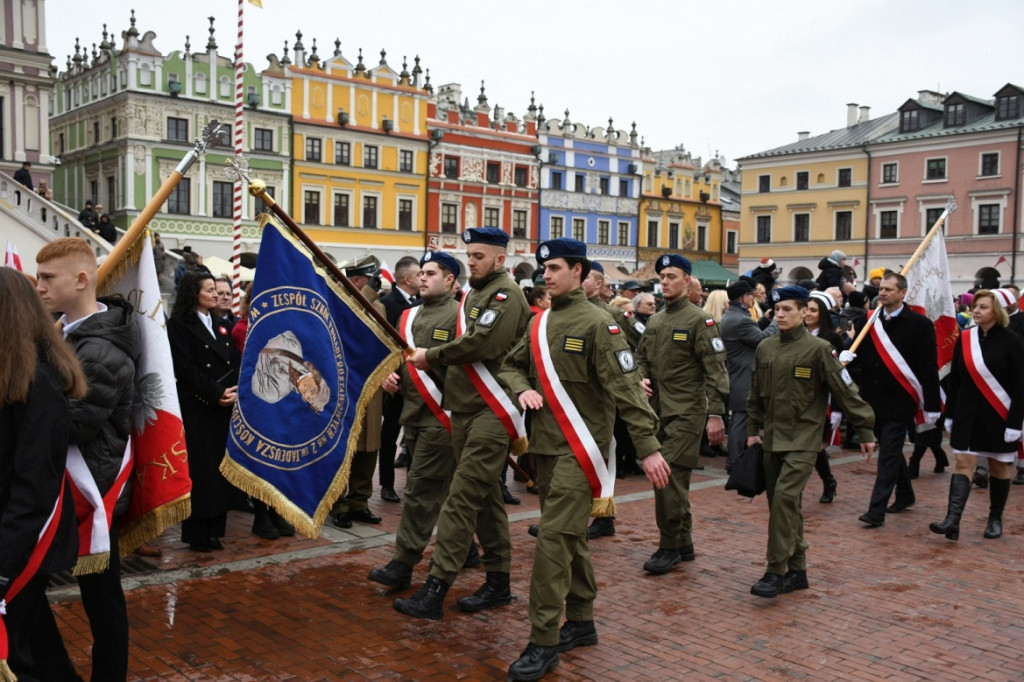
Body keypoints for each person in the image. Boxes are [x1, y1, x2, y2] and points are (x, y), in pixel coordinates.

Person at [500, 238, 668, 681]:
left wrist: (648, 447)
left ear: (578, 271)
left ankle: (543, 641)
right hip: (546, 450)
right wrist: (522, 388)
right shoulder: (538, 324)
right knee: (571, 537)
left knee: (553, 541)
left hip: (582, 451)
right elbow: (510, 365)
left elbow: (627, 388)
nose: (546, 276)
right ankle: (581, 620)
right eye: (543, 270)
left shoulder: (601, 324)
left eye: (554, 268)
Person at [396, 227, 531, 620]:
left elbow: (482, 345)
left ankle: (436, 589)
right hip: (467, 408)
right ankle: (499, 582)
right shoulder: (476, 294)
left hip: (493, 410)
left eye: (479, 256)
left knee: (460, 497)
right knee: (487, 501)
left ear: (500, 259)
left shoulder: (507, 296)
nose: (471, 261)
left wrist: (432, 356)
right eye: (469, 255)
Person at [36, 237, 139, 681]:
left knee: (102, 600)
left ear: (81, 280)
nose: (38, 287)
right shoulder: (65, 332)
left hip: (90, 491)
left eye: (47, 278)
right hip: (68, 486)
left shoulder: (100, 350)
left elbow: (73, 426)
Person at [747, 286, 875, 598]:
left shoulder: (819, 350)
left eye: (788, 309)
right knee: (785, 506)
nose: (780, 315)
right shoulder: (766, 349)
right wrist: (753, 429)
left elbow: (846, 390)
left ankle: (776, 571)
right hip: (772, 441)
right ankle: (798, 570)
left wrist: (866, 429)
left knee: (784, 501)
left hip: (804, 441)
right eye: (777, 310)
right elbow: (755, 396)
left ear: (805, 312)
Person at [0, 268, 86, 682]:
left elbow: (34, 487)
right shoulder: (11, 373)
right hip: (13, 537)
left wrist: (4, 567)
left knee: (17, 655)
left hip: (22, 543)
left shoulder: (39, 384)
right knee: (37, 645)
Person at [367, 251, 461, 589]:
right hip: (413, 415)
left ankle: (403, 562)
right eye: (421, 272)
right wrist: (389, 376)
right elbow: (397, 356)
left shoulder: (460, 316)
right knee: (451, 492)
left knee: (421, 490)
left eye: (431, 273)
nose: (422, 278)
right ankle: (473, 553)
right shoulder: (407, 316)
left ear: (450, 280)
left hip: (443, 417)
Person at [634, 254, 730, 574]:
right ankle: (684, 540)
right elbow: (641, 358)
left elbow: (716, 371)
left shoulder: (700, 321)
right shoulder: (657, 321)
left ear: (686, 281)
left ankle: (669, 546)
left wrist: (715, 414)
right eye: (662, 276)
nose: (664, 282)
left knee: (667, 478)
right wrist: (641, 378)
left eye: (672, 276)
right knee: (674, 481)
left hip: (688, 412)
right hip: (658, 413)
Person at [845, 272, 941, 528]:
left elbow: (928, 366)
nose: (883, 293)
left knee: (887, 452)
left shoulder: (920, 324)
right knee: (891, 449)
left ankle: (876, 511)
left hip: (901, 400)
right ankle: (906, 494)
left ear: (902, 293)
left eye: (889, 289)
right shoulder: (868, 320)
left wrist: (932, 405)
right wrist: (847, 354)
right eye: (881, 288)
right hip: (872, 400)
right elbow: (859, 357)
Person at [930, 290, 1024, 541]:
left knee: (997, 465)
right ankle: (953, 520)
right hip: (967, 413)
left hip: (998, 414)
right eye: (976, 307)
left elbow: (1020, 385)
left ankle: (995, 518)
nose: (976, 311)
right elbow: (957, 379)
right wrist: (949, 414)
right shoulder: (965, 338)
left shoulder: (1013, 341)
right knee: (963, 463)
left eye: (984, 307)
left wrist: (1015, 422)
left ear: (998, 311)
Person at [167, 272, 241, 551]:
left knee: (219, 470)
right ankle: (198, 533)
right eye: (209, 289)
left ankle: (215, 530)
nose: (214, 294)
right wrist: (213, 393)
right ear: (193, 293)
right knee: (201, 471)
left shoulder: (220, 325)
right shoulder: (179, 325)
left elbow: (234, 360)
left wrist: (232, 390)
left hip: (224, 405)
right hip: (198, 406)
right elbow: (184, 367)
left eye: (216, 289)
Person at [331, 260, 386, 528]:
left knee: (369, 446)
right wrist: (366, 295)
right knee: (345, 448)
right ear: (356, 281)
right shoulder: (341, 303)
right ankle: (338, 503)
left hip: (371, 387)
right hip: (346, 386)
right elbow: (353, 327)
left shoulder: (379, 306)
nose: (376, 283)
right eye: (370, 278)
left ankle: (359, 501)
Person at [720, 280, 777, 472]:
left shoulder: (734, 315)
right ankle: (735, 462)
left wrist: (765, 321)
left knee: (741, 418)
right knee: (741, 419)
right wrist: (776, 322)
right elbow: (762, 340)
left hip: (738, 373)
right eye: (751, 295)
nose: (754, 298)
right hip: (743, 376)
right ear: (744, 297)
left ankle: (736, 460)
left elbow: (751, 333)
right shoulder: (740, 319)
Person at [378, 256, 422, 502]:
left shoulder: (421, 303)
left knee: (414, 434)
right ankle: (386, 484)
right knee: (389, 435)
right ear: (407, 279)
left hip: (416, 380)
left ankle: (414, 482)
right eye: (419, 275)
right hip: (394, 382)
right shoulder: (387, 304)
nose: (423, 278)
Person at [805, 291, 846, 503]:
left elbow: (839, 377)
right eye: (807, 309)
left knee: (815, 445)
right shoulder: (795, 332)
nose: (809, 314)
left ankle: (828, 481)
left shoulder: (832, 338)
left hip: (823, 400)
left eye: (813, 310)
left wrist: (838, 408)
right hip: (798, 398)